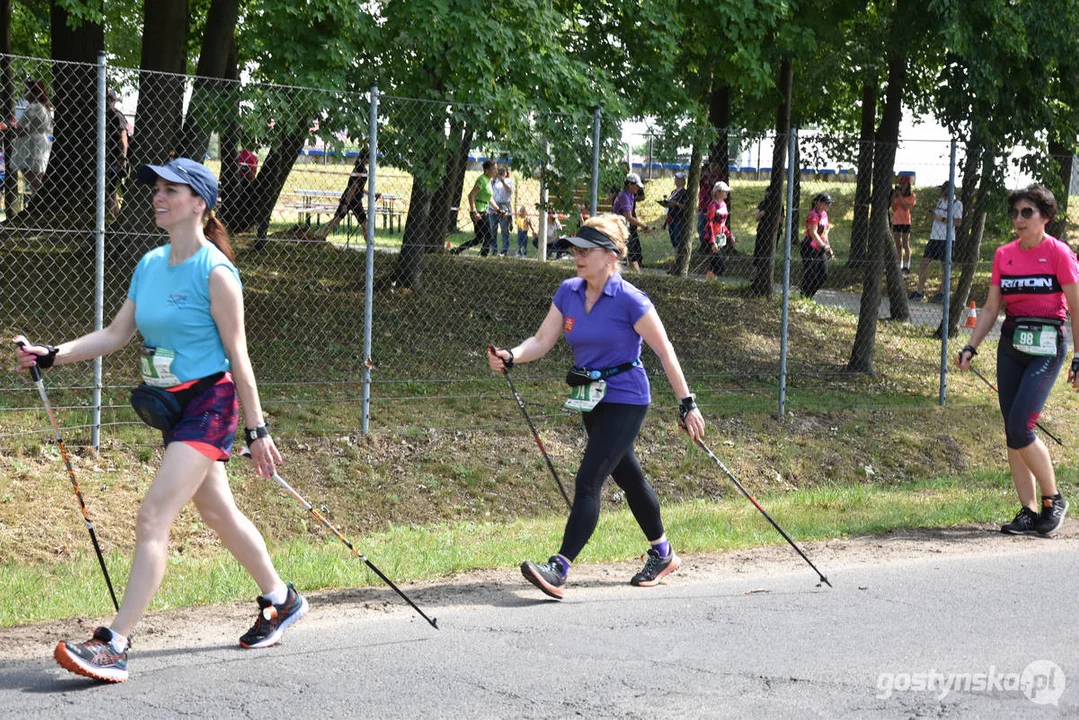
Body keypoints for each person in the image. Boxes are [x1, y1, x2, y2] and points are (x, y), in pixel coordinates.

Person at [15, 158, 306, 683]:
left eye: (172, 189)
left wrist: (257, 430)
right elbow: (115, 334)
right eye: (157, 188)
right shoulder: (150, 263)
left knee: (153, 517)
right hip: (171, 406)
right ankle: (282, 599)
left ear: (199, 203)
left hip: (210, 404)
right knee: (219, 513)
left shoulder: (216, 273)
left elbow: (239, 357)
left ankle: (115, 643)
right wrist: (52, 354)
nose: (159, 196)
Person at [487, 213, 706, 600]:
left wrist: (687, 404)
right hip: (592, 397)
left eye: (587, 250)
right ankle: (663, 552)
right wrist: (512, 355)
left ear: (610, 256)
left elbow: (665, 351)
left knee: (589, 479)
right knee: (629, 478)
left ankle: (559, 568)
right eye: (575, 249)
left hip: (626, 397)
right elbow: (541, 340)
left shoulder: (630, 300)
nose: (578, 255)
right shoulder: (569, 291)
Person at [957, 184, 1079, 537]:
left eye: (1027, 213)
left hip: (1046, 346)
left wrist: (1078, 357)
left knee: (1022, 426)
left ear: (1046, 217)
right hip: (1011, 345)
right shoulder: (1003, 255)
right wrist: (972, 346)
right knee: (1012, 429)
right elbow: (993, 307)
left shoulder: (1059, 253)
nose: (1019, 220)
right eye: (1015, 213)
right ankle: (1027, 511)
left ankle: (1053, 499)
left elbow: (1075, 308)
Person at [909, 181, 962, 302]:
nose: (941, 192)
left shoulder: (957, 204)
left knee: (945, 266)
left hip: (946, 239)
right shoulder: (940, 201)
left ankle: (943, 293)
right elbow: (937, 217)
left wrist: (941, 218)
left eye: (943, 190)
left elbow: (958, 222)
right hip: (934, 237)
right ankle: (919, 291)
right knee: (924, 262)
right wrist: (932, 215)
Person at [318, 151, 376, 239]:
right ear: (366, 159)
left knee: (338, 218)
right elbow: (353, 187)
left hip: (351, 198)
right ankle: (369, 244)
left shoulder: (359, 168)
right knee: (363, 222)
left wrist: (372, 194)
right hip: (353, 199)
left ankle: (323, 236)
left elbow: (359, 188)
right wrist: (346, 203)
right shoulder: (361, 170)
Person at [10, 79, 53, 196]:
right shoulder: (44, 108)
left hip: (32, 148)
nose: (24, 91)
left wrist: (13, 126)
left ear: (33, 92)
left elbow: (20, 129)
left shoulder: (33, 107)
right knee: (38, 177)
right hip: (42, 146)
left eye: (27, 89)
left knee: (33, 179)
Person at [450, 160, 499, 256]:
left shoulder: (488, 181)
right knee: (488, 235)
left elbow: (489, 198)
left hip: (484, 212)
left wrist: (498, 209)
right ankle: (483, 255)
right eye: (493, 169)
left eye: (496, 169)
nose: (495, 172)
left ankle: (457, 250)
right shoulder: (482, 180)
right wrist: (474, 212)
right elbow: (471, 195)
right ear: (486, 170)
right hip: (478, 213)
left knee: (478, 239)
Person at [613, 172, 651, 271]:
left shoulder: (630, 195)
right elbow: (629, 217)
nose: (638, 189)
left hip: (623, 227)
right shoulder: (624, 196)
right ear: (630, 185)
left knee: (630, 254)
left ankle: (635, 276)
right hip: (619, 228)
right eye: (636, 186)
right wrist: (644, 226)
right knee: (632, 255)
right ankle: (638, 278)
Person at [800, 192, 834, 299]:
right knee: (811, 273)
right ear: (818, 203)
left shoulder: (824, 215)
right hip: (809, 247)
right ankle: (804, 296)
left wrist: (828, 248)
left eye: (828, 204)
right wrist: (823, 245)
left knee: (823, 275)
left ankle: (809, 295)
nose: (827, 206)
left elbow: (824, 233)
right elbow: (813, 233)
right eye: (825, 203)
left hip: (821, 247)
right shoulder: (813, 214)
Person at [701, 181, 736, 280]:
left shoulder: (724, 205)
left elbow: (722, 224)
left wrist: (730, 235)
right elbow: (709, 225)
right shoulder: (712, 206)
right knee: (720, 266)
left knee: (714, 265)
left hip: (720, 238)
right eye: (725, 191)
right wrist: (713, 243)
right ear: (718, 192)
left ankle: (710, 284)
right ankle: (710, 282)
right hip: (711, 239)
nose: (727, 193)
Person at [106, 89, 130, 218]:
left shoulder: (117, 115)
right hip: (107, 158)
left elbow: (123, 138)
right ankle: (114, 217)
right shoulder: (102, 115)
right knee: (111, 190)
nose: (108, 102)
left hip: (115, 158)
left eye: (110, 99)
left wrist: (122, 157)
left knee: (111, 189)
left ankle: (113, 217)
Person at [891, 177, 916, 273]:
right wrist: (894, 197)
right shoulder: (897, 195)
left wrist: (900, 196)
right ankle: (899, 264)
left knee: (906, 243)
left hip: (905, 221)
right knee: (898, 244)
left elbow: (906, 207)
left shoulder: (911, 196)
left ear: (908, 185)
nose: (902, 186)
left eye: (904, 184)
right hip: (897, 221)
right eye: (901, 184)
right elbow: (894, 208)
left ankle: (907, 266)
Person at [697, 158, 723, 244]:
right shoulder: (705, 176)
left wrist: (710, 179)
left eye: (715, 164)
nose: (712, 166)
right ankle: (703, 245)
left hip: (714, 208)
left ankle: (713, 246)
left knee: (713, 228)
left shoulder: (721, 178)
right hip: (703, 206)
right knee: (701, 227)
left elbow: (716, 189)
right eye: (711, 164)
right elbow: (698, 182)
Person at [662, 171, 689, 250]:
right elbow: (670, 207)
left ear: (683, 181)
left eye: (678, 179)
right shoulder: (673, 192)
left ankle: (678, 257)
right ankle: (676, 255)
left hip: (678, 219)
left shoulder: (684, 193)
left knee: (677, 240)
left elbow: (686, 207)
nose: (676, 180)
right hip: (671, 218)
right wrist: (665, 223)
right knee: (673, 240)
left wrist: (677, 203)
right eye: (676, 178)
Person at [492, 166, 514, 255]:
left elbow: (509, 190)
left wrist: (503, 181)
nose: (501, 173)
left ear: (506, 173)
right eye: (499, 171)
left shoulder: (509, 181)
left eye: (503, 172)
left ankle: (504, 250)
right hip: (494, 206)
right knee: (492, 229)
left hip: (504, 206)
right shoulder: (494, 181)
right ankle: (494, 249)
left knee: (504, 229)